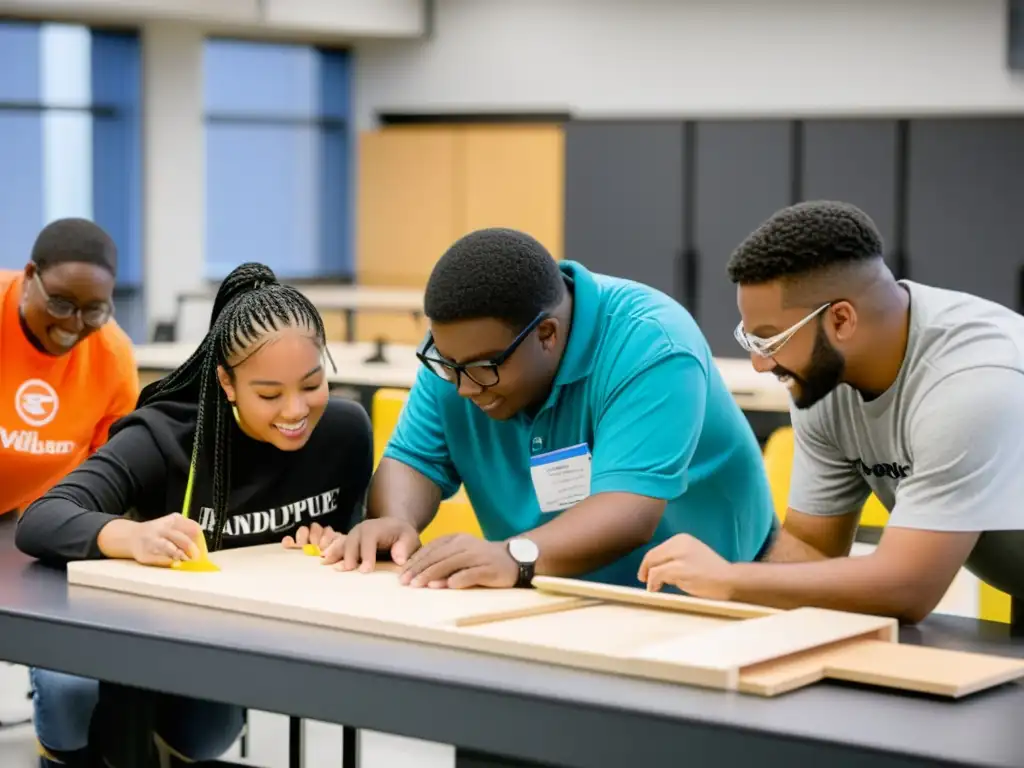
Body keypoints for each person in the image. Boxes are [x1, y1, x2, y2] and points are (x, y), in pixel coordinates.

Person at [16, 262, 373, 767]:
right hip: (121, 631)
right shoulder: (164, 438)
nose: (295, 410)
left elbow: (355, 535)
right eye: (269, 394)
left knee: (203, 738)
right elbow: (42, 518)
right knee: (74, 702)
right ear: (226, 382)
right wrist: (130, 536)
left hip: (219, 641)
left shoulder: (345, 432)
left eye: (312, 384)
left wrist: (333, 546)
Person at [320, 227, 777, 591]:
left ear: (547, 335)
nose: (462, 387)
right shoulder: (462, 357)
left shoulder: (652, 344)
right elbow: (414, 460)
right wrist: (394, 520)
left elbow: (628, 513)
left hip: (697, 602)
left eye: (481, 368)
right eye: (448, 364)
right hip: (550, 592)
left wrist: (513, 556)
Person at [637, 200, 1024, 623]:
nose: (760, 364)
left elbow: (908, 587)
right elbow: (811, 547)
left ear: (841, 320)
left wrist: (732, 580)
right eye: (751, 341)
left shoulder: (971, 382)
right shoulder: (826, 380)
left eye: (769, 340)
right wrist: (714, 611)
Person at [1, 217, 139, 517]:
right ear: (29, 277)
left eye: (93, 310)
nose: (73, 324)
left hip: (16, 517)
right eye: (60, 303)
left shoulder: (113, 358)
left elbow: (108, 478)